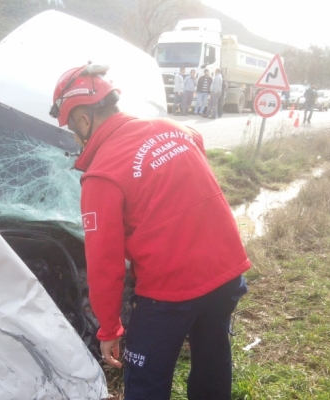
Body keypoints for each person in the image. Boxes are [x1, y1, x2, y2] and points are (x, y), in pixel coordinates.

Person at [49, 64, 250, 399]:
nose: (75, 137)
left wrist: (109, 328)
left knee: (146, 383)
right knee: (213, 360)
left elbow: (104, 264)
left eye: (72, 129)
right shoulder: (179, 130)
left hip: (170, 292)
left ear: (83, 120)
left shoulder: (102, 174)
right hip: (227, 273)